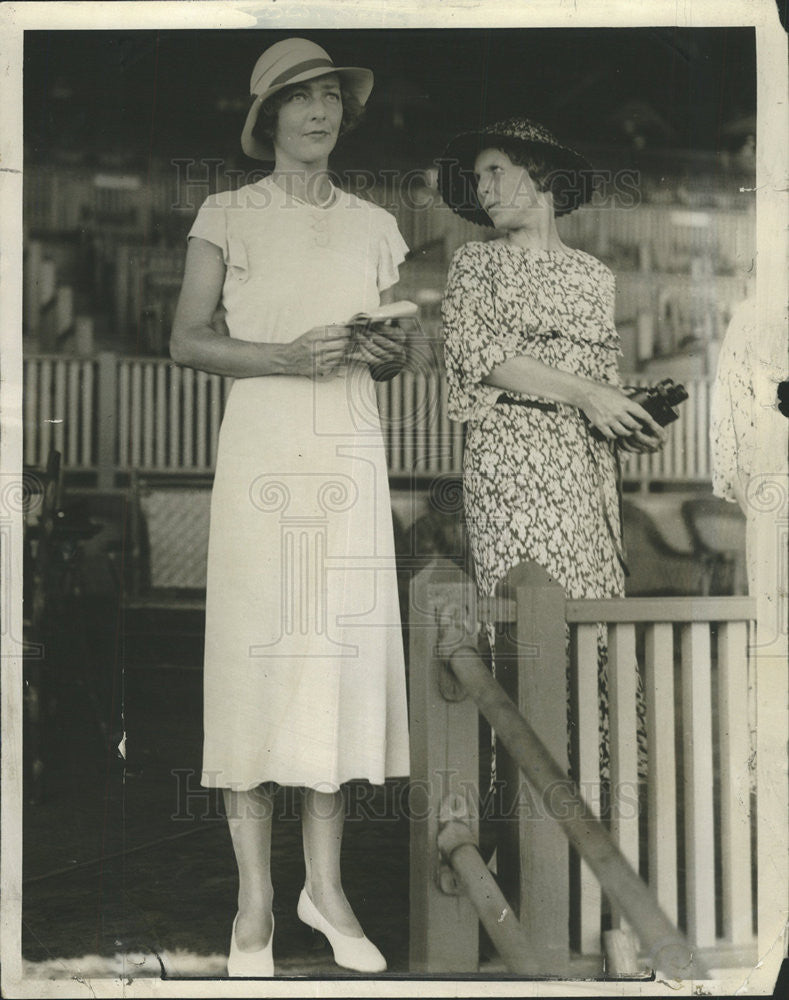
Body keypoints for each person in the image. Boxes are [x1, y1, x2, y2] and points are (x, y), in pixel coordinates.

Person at [170, 37, 410, 977]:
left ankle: (326, 889)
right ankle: (255, 903)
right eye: (298, 99)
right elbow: (187, 341)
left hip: (347, 453)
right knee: (256, 657)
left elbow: (390, 345)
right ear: (266, 117)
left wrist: (390, 355)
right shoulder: (225, 212)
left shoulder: (375, 224)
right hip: (264, 450)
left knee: (331, 660)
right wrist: (281, 356)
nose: (318, 113)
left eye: (330, 99)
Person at [437, 117, 664, 777]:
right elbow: (480, 356)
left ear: (539, 176)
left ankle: (597, 794)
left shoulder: (594, 276)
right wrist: (587, 395)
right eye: (476, 176)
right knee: (519, 614)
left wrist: (627, 420)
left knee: (589, 621)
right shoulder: (474, 262)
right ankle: (518, 806)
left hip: (583, 466)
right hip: (507, 454)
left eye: (494, 171)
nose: (482, 188)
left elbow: (601, 384)